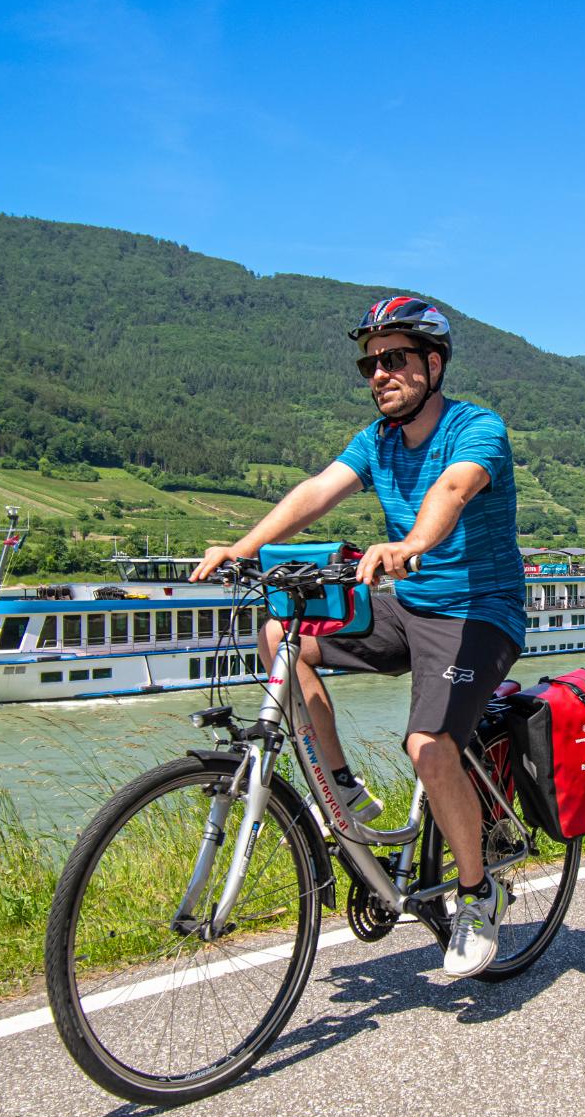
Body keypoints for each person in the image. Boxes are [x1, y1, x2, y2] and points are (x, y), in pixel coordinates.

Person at [190, 296, 526, 977]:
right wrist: (244, 545)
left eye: (394, 359)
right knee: (281, 631)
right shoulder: (375, 440)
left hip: (477, 614)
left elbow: (454, 491)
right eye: (369, 363)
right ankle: (341, 785)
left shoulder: (474, 427)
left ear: (433, 364)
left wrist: (412, 542)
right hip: (407, 606)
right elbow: (318, 491)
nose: (379, 373)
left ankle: (475, 893)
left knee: (429, 748)